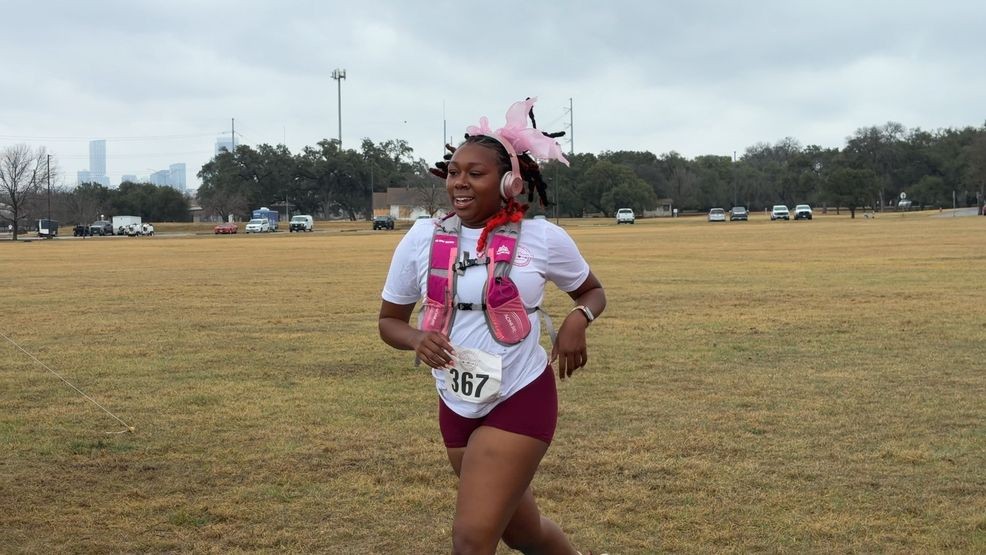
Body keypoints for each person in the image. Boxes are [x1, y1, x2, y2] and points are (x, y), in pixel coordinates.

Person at [379, 97, 606, 554]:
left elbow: (591, 292)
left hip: (521, 393)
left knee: (472, 539)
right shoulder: (422, 237)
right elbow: (389, 322)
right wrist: (417, 339)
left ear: (508, 182)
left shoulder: (543, 238)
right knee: (525, 533)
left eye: (474, 173)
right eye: (454, 171)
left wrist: (578, 320)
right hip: (457, 398)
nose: (458, 182)